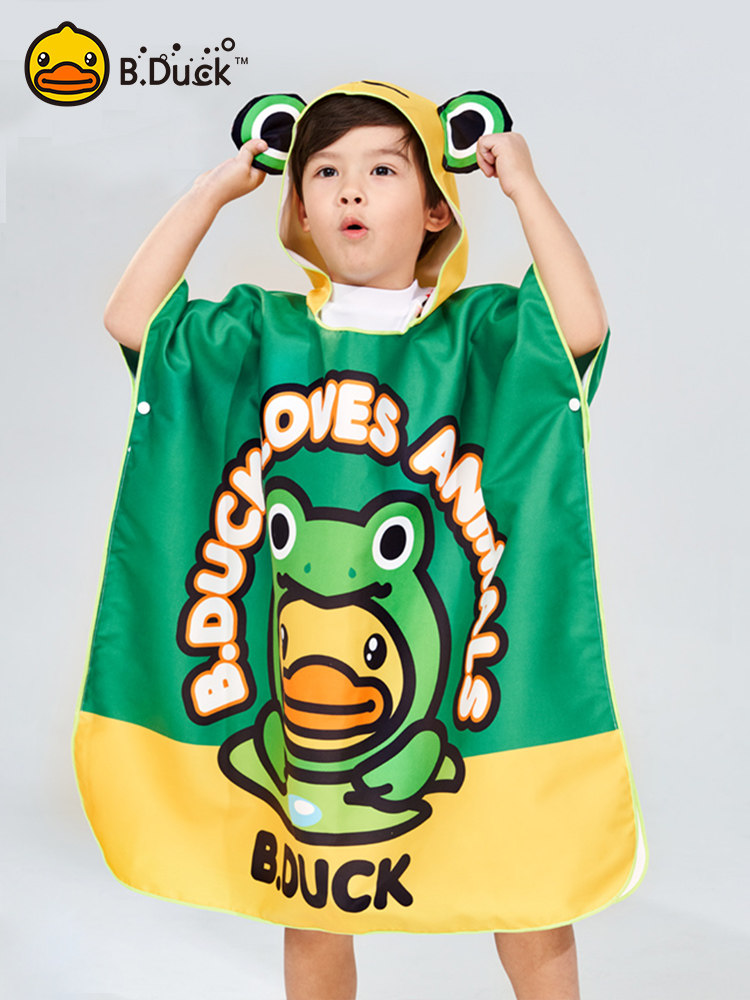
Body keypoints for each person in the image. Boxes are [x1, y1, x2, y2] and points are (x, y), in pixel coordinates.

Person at [88, 81, 643, 1000]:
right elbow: (132, 320)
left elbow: (579, 328)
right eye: (325, 172)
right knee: (312, 899)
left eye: (383, 170)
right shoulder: (260, 334)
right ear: (300, 211)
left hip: (472, 690)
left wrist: (524, 186)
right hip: (310, 698)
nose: (351, 188)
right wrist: (215, 188)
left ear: (435, 210)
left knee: (527, 879)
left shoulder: (480, 335)